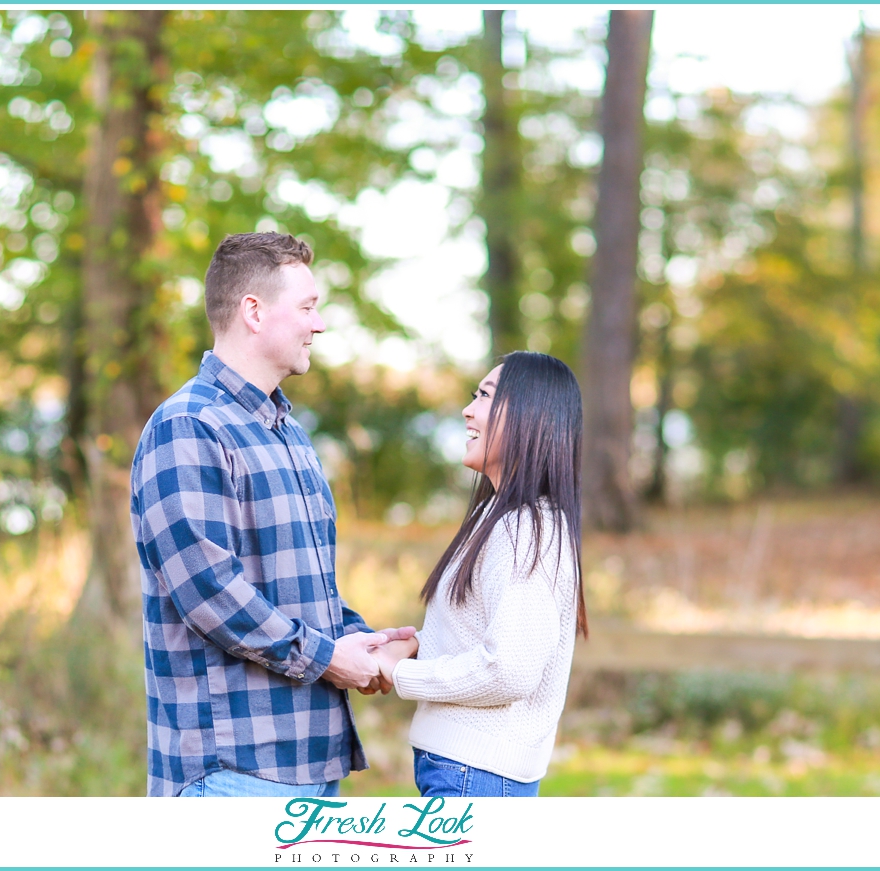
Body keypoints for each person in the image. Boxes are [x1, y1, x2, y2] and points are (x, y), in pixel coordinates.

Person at [131, 232, 413, 797]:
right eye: (308, 307)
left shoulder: (287, 432)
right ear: (254, 312)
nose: (320, 324)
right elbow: (211, 595)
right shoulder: (188, 426)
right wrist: (331, 658)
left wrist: (364, 644)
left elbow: (297, 590)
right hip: (232, 774)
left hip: (309, 762)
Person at [373, 351, 586, 797]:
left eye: (486, 396)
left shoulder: (527, 527)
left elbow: (509, 670)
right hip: (462, 769)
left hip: (476, 775)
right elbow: (485, 637)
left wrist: (399, 674)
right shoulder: (499, 516)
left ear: (530, 415)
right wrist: (417, 648)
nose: (468, 410)